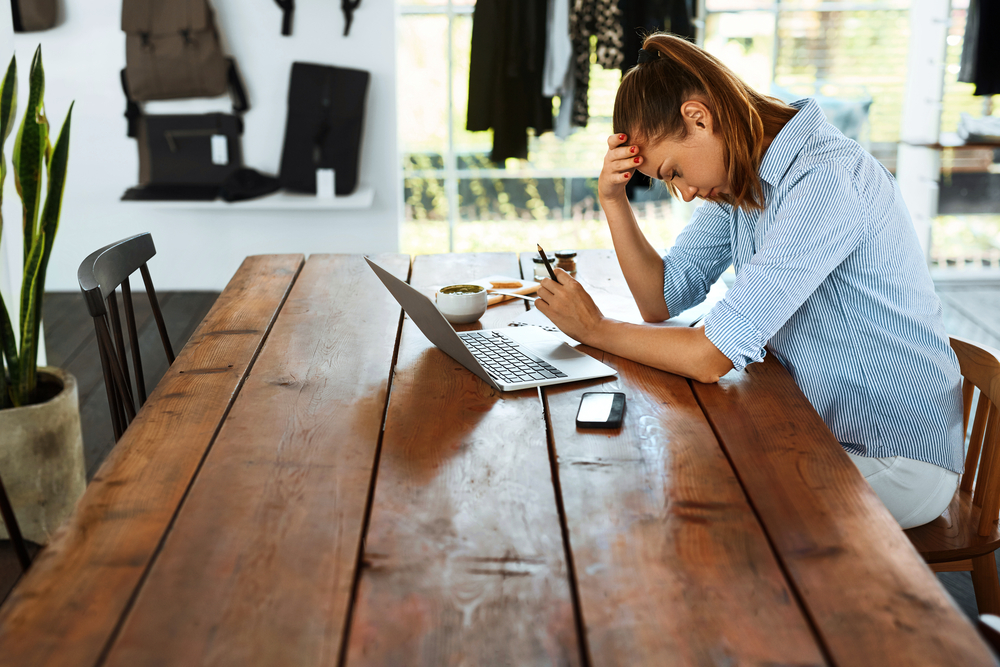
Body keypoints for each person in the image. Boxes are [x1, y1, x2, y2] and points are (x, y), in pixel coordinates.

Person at [534, 32, 964, 530]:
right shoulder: (745, 176)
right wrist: (613, 200)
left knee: (704, 516)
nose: (686, 192)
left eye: (673, 171)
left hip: (894, 458)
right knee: (675, 488)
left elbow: (709, 357)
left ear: (699, 118)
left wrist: (595, 329)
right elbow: (662, 297)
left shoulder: (824, 177)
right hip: (808, 427)